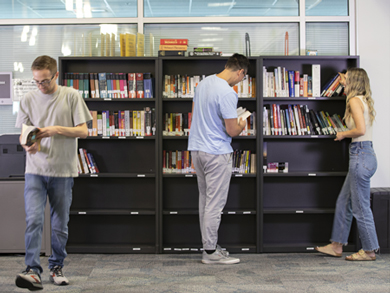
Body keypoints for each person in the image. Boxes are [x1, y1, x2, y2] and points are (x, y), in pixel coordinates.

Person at [14, 55, 92, 290]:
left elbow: (84, 131)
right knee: (34, 220)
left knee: (60, 224)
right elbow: (22, 132)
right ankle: (32, 271)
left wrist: (55, 130)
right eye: (37, 81)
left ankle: (56, 267)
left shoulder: (71, 96)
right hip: (35, 171)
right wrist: (28, 144)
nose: (41, 86)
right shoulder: (27, 99)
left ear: (56, 75)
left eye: (45, 81)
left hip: (62, 170)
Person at [188, 53, 249, 264]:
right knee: (215, 204)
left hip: (197, 149)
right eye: (243, 77)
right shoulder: (227, 92)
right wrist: (242, 123)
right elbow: (232, 130)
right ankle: (211, 253)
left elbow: (195, 114)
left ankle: (209, 245)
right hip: (216, 152)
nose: (241, 81)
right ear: (240, 71)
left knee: (205, 201)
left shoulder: (203, 84)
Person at [315, 68, 379, 261]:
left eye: (344, 79)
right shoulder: (362, 100)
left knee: (360, 207)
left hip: (360, 155)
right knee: (344, 201)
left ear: (354, 81)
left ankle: (369, 251)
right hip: (364, 154)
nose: (341, 82)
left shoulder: (354, 101)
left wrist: (342, 134)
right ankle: (336, 246)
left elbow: (360, 130)